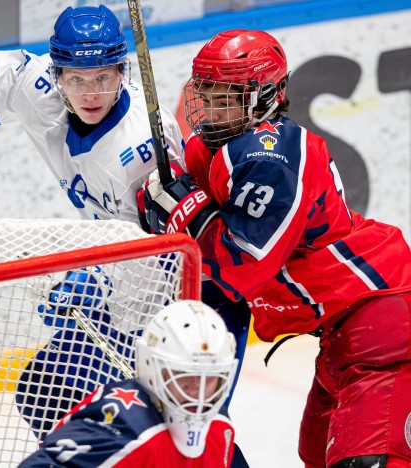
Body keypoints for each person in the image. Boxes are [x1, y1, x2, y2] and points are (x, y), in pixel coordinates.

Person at [0, 3, 251, 447]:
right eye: (77, 79)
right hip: (124, 281)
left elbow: (162, 259)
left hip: (196, 300)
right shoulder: (40, 85)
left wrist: (85, 279)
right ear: (57, 72)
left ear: (122, 72)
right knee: (44, 390)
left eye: (104, 77)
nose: (91, 92)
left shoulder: (143, 151)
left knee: (191, 436)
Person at [141, 29, 411, 467]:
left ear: (264, 96)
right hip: (341, 330)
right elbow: (168, 207)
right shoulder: (213, 147)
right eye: (207, 94)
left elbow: (243, 266)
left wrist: (184, 211)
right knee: (318, 456)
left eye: (226, 96)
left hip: (382, 317)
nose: (211, 108)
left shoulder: (272, 156)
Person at [19, 300, 241, 467]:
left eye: (209, 378)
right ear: (153, 368)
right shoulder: (119, 428)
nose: (196, 391)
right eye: (183, 377)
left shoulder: (220, 427)